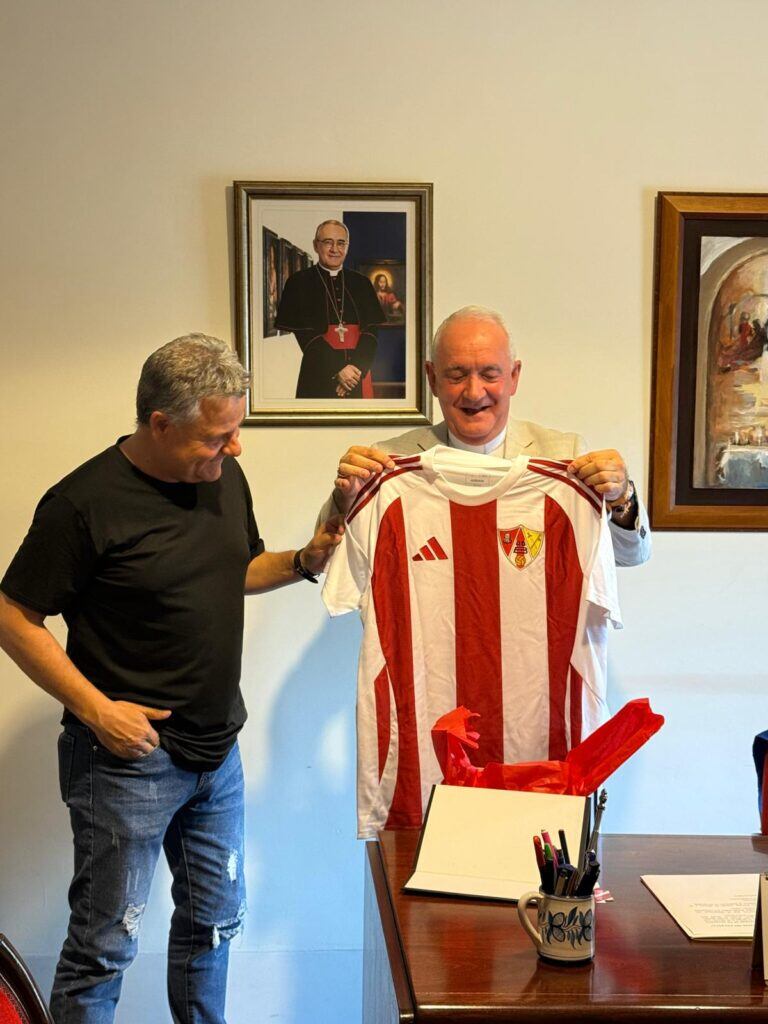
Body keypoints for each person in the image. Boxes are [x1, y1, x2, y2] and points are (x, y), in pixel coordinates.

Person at [0, 335, 343, 1024]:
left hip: (218, 755)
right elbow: (13, 614)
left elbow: (234, 570)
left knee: (212, 927)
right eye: (219, 435)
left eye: (236, 430)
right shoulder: (82, 504)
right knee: (105, 947)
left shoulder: (220, 477)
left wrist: (305, 560)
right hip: (128, 762)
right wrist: (98, 711)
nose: (235, 448)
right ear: (160, 423)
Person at [320, 305, 651, 567]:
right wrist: (346, 500)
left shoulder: (564, 455)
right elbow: (334, 561)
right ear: (432, 379)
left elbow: (630, 556)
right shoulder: (390, 462)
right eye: (457, 374)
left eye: (489, 374)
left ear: (513, 377)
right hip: (431, 650)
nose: (473, 392)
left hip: (532, 649)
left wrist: (621, 499)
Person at [275, 219, 383, 399]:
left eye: (341, 243)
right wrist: (338, 369)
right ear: (316, 245)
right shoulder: (299, 282)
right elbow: (306, 335)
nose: (335, 249)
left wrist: (355, 371)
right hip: (318, 373)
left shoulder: (362, 283)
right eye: (328, 242)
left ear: (347, 246)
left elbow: (372, 331)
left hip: (358, 375)